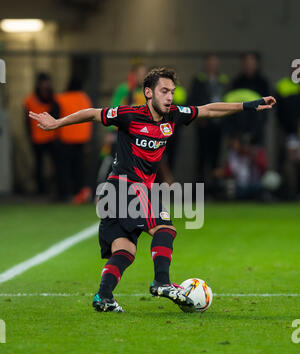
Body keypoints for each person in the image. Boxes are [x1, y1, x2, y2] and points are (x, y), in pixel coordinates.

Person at [29, 67, 276, 313]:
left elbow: (209, 109)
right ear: (148, 92)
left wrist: (248, 105)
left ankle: (103, 297)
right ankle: (162, 282)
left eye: (172, 92)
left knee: (125, 250)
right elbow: (94, 114)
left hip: (117, 194)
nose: (170, 97)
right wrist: (57, 123)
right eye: (164, 91)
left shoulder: (174, 115)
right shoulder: (128, 114)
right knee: (165, 228)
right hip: (124, 188)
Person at [189, 55, 229, 191]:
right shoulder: (198, 80)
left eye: (214, 63)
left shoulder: (223, 81)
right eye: (210, 63)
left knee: (216, 158)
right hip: (203, 124)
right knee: (201, 157)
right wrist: (199, 119)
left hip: (218, 124)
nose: (212, 65)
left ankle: (214, 189)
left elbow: (228, 100)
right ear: (205, 64)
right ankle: (199, 190)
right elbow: (192, 100)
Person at [56, 77, 93, 203]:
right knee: (79, 169)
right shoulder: (84, 98)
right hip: (82, 139)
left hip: (65, 139)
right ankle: (79, 193)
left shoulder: (61, 98)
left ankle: (64, 194)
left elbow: (56, 115)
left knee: (64, 169)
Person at [24, 72, 60, 195]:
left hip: (52, 136)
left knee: (55, 165)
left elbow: (58, 114)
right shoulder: (30, 100)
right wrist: (29, 135)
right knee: (39, 166)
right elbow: (26, 120)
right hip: (37, 138)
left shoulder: (53, 98)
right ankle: (41, 190)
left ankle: (56, 189)